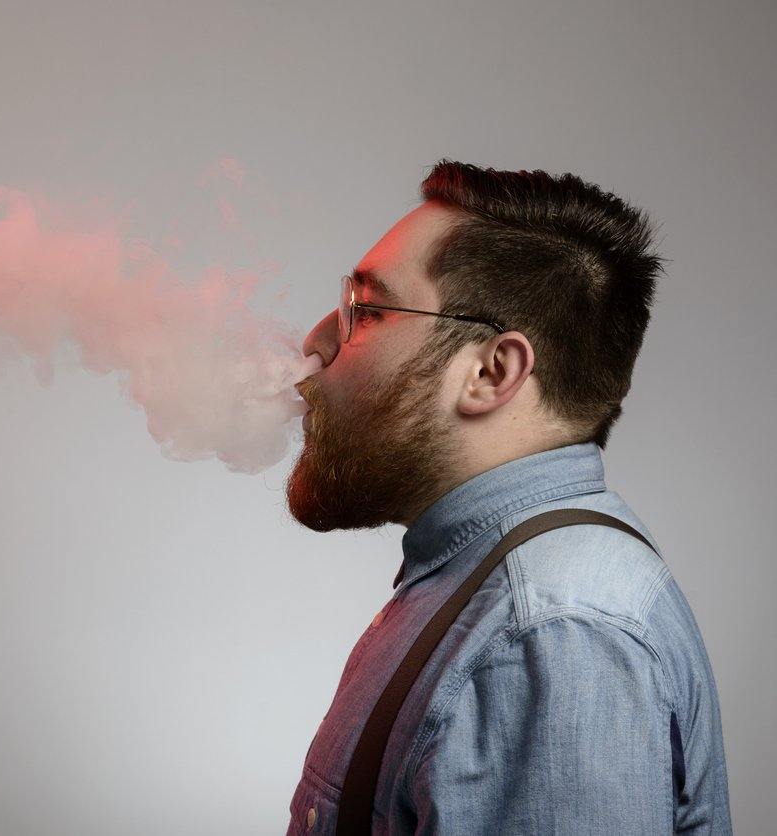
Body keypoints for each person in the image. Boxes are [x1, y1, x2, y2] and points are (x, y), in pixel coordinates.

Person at [283, 160, 732, 834]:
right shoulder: (493, 590)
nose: (315, 344)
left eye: (366, 310)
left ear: (491, 372)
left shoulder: (549, 635)